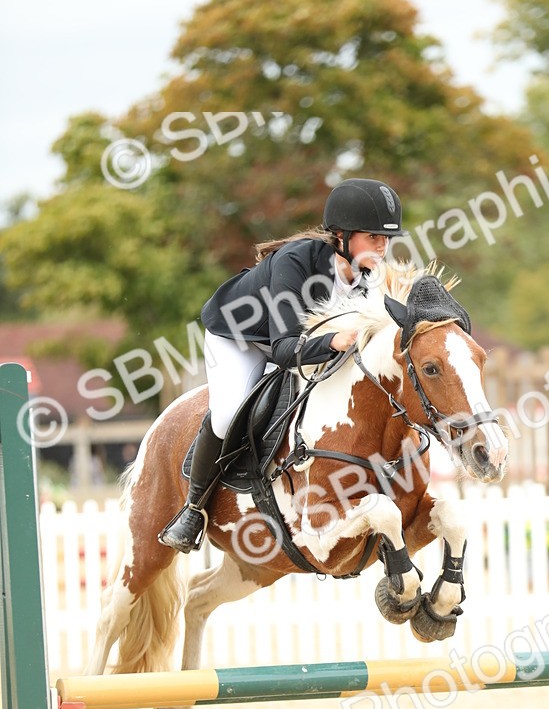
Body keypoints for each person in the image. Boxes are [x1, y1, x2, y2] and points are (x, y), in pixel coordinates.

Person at [159, 177, 406, 552]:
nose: (382, 246)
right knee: (228, 414)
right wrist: (334, 341)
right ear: (342, 235)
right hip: (240, 338)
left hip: (295, 341)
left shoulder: (367, 278)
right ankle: (193, 509)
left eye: (385, 239)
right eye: (373, 237)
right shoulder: (296, 262)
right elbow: (285, 349)